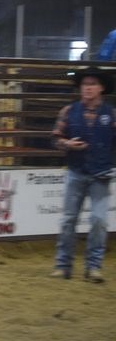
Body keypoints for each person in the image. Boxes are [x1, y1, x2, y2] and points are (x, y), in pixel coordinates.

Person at [50, 67, 116, 283]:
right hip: (77, 172)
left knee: (98, 220)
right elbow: (55, 138)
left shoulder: (112, 114)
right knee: (69, 220)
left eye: (92, 84)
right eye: (84, 84)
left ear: (101, 88)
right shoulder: (68, 111)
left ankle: (93, 267)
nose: (87, 87)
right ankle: (63, 265)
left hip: (100, 173)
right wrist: (67, 144)